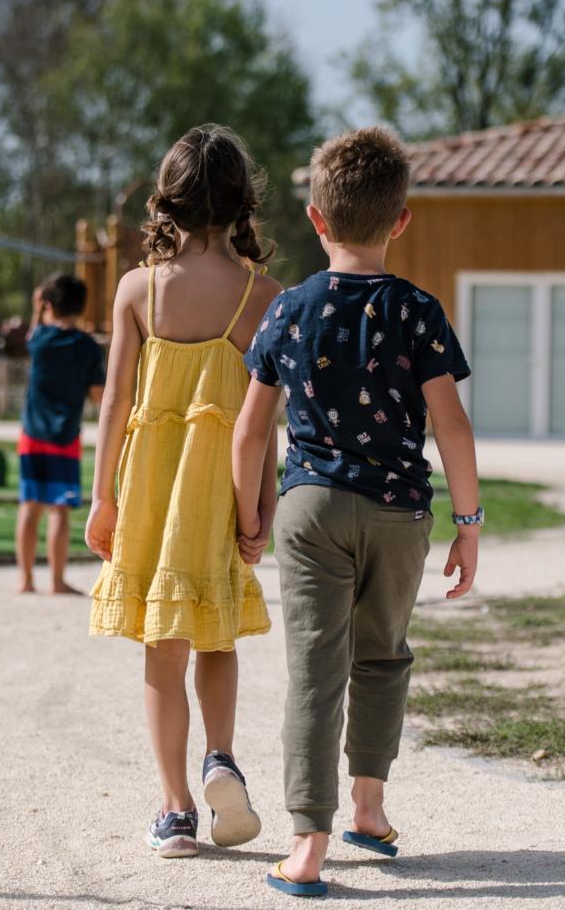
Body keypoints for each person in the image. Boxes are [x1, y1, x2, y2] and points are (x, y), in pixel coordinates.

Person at [232, 126, 482, 897]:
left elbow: (249, 431)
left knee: (316, 672)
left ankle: (307, 846)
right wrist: (468, 524)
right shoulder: (418, 311)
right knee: (382, 657)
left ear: (316, 218)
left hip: (310, 507)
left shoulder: (288, 309)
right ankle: (369, 810)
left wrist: (250, 516)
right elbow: (452, 426)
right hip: (400, 513)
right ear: (400, 220)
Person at [86, 124, 282, 858]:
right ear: (241, 204)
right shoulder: (264, 297)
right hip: (221, 491)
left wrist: (102, 497)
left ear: (166, 200)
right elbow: (264, 420)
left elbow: (114, 403)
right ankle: (221, 757)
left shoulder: (139, 290)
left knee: (163, 649)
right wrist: (261, 506)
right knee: (217, 632)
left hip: (151, 490)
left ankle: (175, 811)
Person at [16, 272, 105, 595]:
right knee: (60, 510)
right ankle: (56, 580)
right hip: (65, 436)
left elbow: (34, 328)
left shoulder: (39, 340)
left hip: (31, 434)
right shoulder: (87, 347)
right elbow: (97, 395)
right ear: (82, 307)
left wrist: (36, 307)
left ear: (48, 305)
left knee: (30, 506)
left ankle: (26, 580)